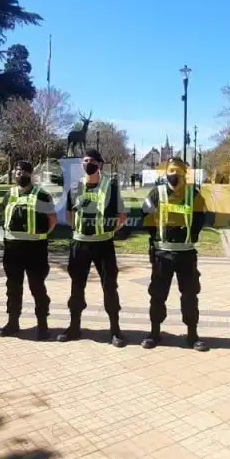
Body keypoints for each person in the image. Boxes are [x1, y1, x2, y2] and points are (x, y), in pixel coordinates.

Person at [59, 149, 128, 347]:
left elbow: (121, 215)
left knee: (109, 286)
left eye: (91, 161)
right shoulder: (74, 188)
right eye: (85, 160)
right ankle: (74, 327)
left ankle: (115, 330)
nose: (87, 164)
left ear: (100, 164)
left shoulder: (111, 187)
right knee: (76, 285)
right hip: (80, 244)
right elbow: (71, 214)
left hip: (103, 244)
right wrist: (81, 230)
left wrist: (107, 230)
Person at [141, 157, 209, 351]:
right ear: (166, 173)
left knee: (190, 294)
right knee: (157, 294)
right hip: (162, 253)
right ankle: (154, 333)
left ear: (184, 174)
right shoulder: (156, 193)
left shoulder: (193, 194)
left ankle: (192, 334)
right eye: (170, 171)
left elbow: (200, 218)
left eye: (177, 172)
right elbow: (144, 214)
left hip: (186, 253)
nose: (174, 175)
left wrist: (190, 235)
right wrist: (156, 236)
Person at [0, 160, 56, 340]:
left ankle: (42, 324)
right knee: (13, 287)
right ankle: (12, 322)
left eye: (22, 171)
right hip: (12, 249)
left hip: (35, 249)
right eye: (16, 170)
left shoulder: (42, 195)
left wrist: (41, 234)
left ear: (30, 174)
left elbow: (52, 219)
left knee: (37, 286)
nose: (18, 174)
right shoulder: (9, 194)